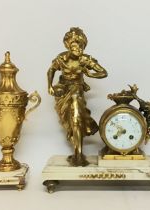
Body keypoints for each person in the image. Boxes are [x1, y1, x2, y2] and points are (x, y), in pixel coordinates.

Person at [47, 27, 108, 166]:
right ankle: (76, 150)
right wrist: (50, 86)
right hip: (62, 90)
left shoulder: (85, 59)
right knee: (67, 120)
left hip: (77, 88)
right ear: (68, 46)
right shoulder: (62, 58)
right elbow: (51, 70)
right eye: (74, 46)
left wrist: (90, 74)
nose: (78, 49)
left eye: (81, 46)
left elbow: (104, 72)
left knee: (76, 118)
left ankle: (78, 154)